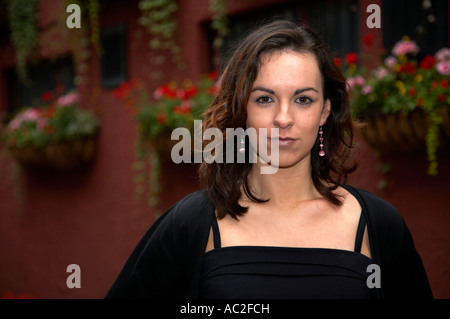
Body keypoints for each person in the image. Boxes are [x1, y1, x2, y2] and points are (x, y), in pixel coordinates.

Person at [105, 20, 432, 299]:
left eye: (303, 99)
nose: (283, 117)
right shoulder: (191, 223)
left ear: (325, 111)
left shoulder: (379, 225)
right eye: (264, 99)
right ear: (242, 110)